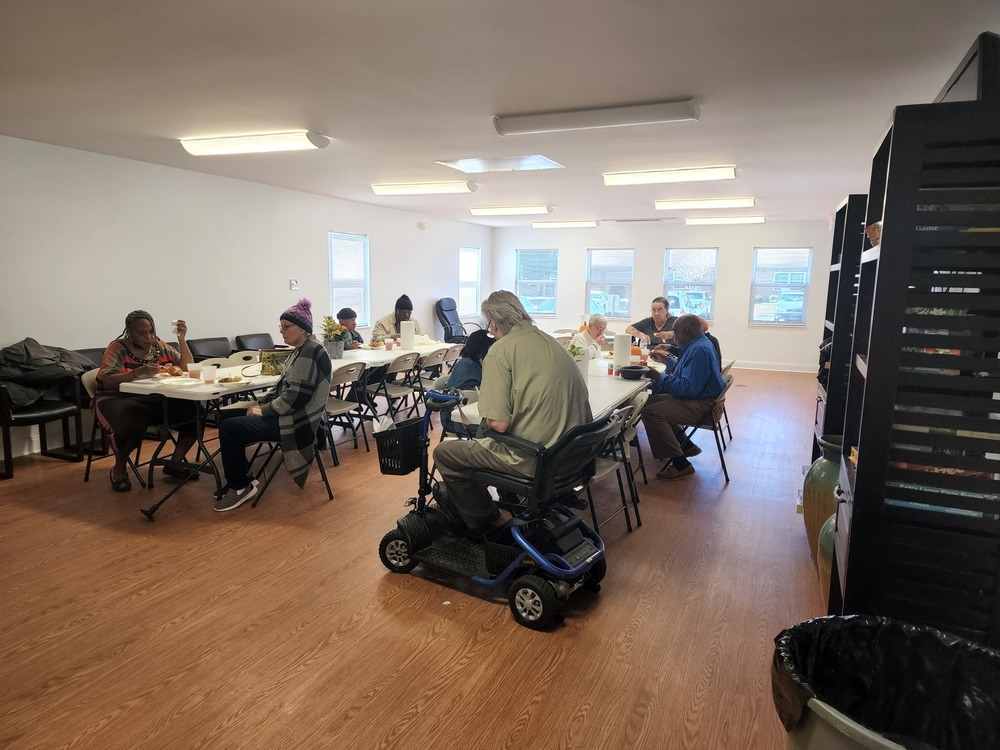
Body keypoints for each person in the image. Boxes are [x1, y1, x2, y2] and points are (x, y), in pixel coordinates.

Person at [433, 291, 592, 539]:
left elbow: (498, 423)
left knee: (445, 453)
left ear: (493, 322)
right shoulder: (550, 341)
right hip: (572, 456)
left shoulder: (500, 351)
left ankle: (487, 525)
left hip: (536, 459)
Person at [214, 299, 333, 512]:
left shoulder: (310, 351)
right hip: (290, 413)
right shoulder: (301, 349)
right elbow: (283, 388)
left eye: (286, 327)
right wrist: (261, 402)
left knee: (230, 428)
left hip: (299, 422)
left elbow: (296, 398)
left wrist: (265, 409)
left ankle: (240, 487)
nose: (282, 332)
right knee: (226, 416)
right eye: (281, 327)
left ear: (304, 328)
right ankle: (240, 476)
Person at [96, 310, 198, 492]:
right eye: (142, 333)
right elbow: (106, 380)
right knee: (130, 421)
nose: (148, 337)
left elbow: (186, 368)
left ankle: (174, 463)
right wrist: (135, 373)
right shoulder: (117, 348)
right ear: (129, 331)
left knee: (194, 410)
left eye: (151, 331)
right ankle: (119, 469)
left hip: (155, 398)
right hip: (120, 399)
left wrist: (182, 339)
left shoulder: (159, 347)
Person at [641, 314, 726, 481]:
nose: (674, 336)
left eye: (676, 332)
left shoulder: (699, 350)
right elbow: (687, 373)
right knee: (647, 402)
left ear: (686, 331)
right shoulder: (698, 345)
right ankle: (685, 444)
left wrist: (659, 376)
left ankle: (681, 464)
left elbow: (686, 389)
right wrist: (668, 362)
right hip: (701, 399)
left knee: (652, 412)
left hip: (704, 406)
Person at [440, 329, 494, 438]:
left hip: (463, 416)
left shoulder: (472, 362)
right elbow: (472, 399)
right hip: (456, 420)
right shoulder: (467, 366)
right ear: (483, 349)